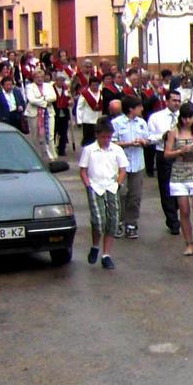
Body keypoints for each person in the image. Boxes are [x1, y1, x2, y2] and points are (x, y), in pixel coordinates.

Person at [78, 116, 127, 270]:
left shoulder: (116, 149)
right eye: (103, 137)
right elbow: (83, 170)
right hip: (96, 186)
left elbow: (122, 169)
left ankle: (106, 254)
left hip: (111, 187)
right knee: (99, 221)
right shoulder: (89, 150)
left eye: (109, 137)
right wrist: (88, 186)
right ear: (97, 135)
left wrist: (118, 183)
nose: (106, 140)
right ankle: (95, 245)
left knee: (113, 220)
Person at [165, 102, 193, 257]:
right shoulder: (174, 132)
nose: (187, 121)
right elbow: (166, 154)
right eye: (184, 118)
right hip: (179, 172)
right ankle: (189, 243)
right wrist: (180, 151)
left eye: (190, 117)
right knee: (184, 210)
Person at [112, 95, 150, 239]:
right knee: (121, 194)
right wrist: (127, 144)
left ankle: (131, 223)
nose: (142, 109)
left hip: (138, 164)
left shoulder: (142, 123)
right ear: (131, 108)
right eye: (139, 106)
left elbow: (148, 139)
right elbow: (112, 142)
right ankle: (118, 222)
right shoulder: (116, 123)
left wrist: (143, 141)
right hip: (122, 164)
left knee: (135, 195)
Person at [148, 89, 182, 234]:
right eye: (174, 100)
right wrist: (163, 136)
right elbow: (149, 137)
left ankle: (175, 209)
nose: (177, 104)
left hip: (181, 154)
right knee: (166, 187)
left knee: (180, 187)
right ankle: (173, 220)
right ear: (166, 101)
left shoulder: (184, 116)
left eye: (179, 101)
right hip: (164, 153)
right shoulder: (156, 117)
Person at [24, 68, 57, 160]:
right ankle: (37, 155)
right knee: (35, 136)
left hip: (48, 113)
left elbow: (54, 97)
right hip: (34, 113)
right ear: (34, 78)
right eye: (37, 77)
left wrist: (41, 98)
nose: (39, 79)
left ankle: (52, 155)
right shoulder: (30, 87)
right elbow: (31, 100)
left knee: (50, 134)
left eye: (41, 77)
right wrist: (45, 102)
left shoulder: (49, 86)